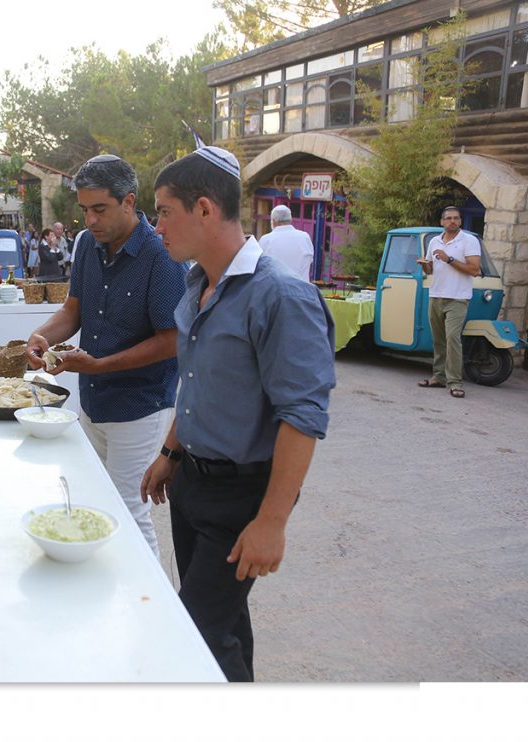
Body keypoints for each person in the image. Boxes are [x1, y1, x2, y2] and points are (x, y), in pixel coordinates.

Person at [140, 146, 335, 681]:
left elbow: (302, 416)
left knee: (191, 636)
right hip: (191, 485)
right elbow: (197, 382)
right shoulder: (197, 283)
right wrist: (170, 452)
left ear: (204, 209)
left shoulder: (281, 296)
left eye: (163, 211)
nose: (156, 226)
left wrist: (272, 523)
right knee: (222, 628)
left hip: (242, 497)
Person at [27, 155, 187, 557]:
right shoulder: (85, 245)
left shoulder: (161, 254)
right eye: (84, 210)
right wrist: (41, 336)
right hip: (94, 399)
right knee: (97, 503)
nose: (91, 220)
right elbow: (73, 310)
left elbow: (171, 340)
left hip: (140, 403)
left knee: (128, 510)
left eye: (99, 209)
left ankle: (150, 605)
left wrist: (98, 365)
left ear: (129, 202)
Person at [416, 206, 481, 398]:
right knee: (439, 339)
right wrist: (425, 265)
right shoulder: (434, 241)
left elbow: (475, 270)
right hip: (436, 295)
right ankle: (438, 377)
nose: (452, 221)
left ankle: (455, 382)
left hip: (458, 298)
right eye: (448, 218)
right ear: (442, 222)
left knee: (453, 339)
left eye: (456, 218)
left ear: (460, 221)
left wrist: (449, 259)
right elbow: (430, 271)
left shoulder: (469, 241)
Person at [258, 204, 314, 280]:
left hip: (276, 288)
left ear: (274, 221)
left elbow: (260, 267)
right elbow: (309, 260)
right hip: (302, 288)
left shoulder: (266, 240)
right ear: (290, 220)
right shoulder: (305, 237)